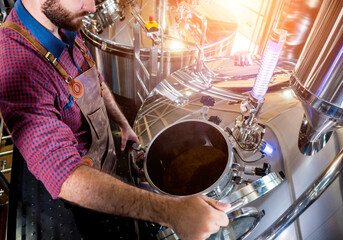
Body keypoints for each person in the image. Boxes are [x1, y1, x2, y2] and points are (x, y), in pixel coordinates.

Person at [0, 0, 231, 239]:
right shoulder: (14, 65)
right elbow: (64, 174)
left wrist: (123, 123)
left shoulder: (60, 20)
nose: (91, 7)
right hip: (83, 183)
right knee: (94, 226)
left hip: (104, 153)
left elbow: (95, 80)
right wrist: (172, 212)